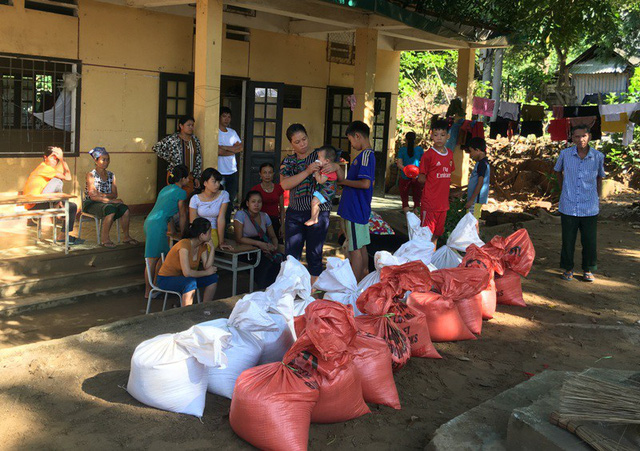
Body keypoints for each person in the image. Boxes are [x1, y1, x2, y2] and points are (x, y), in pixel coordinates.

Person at [280, 123, 344, 283]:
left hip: (319, 211)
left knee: (314, 255)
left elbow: (341, 178)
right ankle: (290, 290)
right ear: (291, 144)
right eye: (297, 142)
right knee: (291, 256)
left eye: (304, 139)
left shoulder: (320, 155)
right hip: (295, 212)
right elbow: (285, 184)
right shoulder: (288, 161)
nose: (303, 144)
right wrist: (307, 171)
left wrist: (336, 166)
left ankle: (313, 295)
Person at [554, 125, 605, 283]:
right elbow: (557, 171)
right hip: (568, 205)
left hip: (589, 206)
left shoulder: (598, 156)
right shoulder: (565, 154)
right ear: (572, 138)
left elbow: (600, 177)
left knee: (589, 240)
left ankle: (588, 269)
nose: (580, 139)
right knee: (568, 240)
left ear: (589, 136)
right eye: (576, 137)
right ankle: (568, 268)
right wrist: (563, 189)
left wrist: (598, 196)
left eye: (583, 136)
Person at [143, 164, 190, 299]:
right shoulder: (181, 193)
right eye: (188, 178)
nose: (189, 180)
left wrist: (173, 231)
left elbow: (166, 213)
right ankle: (148, 291)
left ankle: (156, 286)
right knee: (151, 260)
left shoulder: (165, 189)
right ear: (183, 178)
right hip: (157, 226)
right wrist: (183, 234)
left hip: (151, 223)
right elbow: (182, 215)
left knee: (162, 257)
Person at [337, 121, 376, 282]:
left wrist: (344, 182)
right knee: (361, 247)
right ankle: (363, 279)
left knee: (355, 250)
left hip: (355, 210)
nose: (351, 145)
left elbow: (366, 184)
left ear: (357, 136)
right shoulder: (366, 156)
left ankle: (352, 286)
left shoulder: (366, 156)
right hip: (358, 209)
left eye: (351, 140)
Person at [22, 146, 81, 244]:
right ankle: (59, 204)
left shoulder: (49, 170)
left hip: (42, 201)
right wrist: (63, 160)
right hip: (35, 204)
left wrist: (62, 159)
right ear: (45, 157)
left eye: (57, 158)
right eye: (53, 157)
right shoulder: (44, 167)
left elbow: (68, 177)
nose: (56, 160)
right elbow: (68, 177)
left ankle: (62, 236)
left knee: (72, 206)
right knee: (57, 181)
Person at [156, 217, 218, 306]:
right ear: (201, 235)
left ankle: (205, 307)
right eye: (209, 232)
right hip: (166, 279)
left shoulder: (202, 246)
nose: (211, 234)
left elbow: (207, 267)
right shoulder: (184, 245)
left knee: (212, 278)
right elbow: (187, 273)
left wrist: (212, 249)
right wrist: (206, 272)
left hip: (184, 278)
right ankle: (186, 313)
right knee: (190, 283)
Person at [84, 147, 138, 248]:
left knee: (125, 209)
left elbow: (114, 193)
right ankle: (105, 239)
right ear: (96, 160)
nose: (106, 162)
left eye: (108, 159)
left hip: (106, 201)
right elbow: (93, 196)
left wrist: (101, 195)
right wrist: (109, 200)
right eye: (103, 159)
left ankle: (126, 237)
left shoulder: (111, 175)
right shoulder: (91, 175)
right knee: (111, 210)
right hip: (91, 203)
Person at [234, 190, 284, 289]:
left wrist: (274, 246)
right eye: (253, 202)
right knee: (266, 264)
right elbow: (239, 238)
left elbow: (273, 236)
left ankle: (277, 290)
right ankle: (263, 291)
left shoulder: (264, 216)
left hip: (264, 247)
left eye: (259, 202)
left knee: (281, 261)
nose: (256, 204)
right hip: (248, 250)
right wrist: (259, 244)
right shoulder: (241, 215)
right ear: (247, 203)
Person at [418, 119, 455, 244]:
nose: (439, 138)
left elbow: (449, 173)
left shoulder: (450, 154)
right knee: (425, 236)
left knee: (436, 235)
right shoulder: (428, 155)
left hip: (443, 204)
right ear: (431, 135)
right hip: (430, 203)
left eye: (443, 135)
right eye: (436, 134)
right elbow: (421, 178)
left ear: (448, 136)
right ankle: (423, 262)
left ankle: (431, 261)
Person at [152, 115, 202, 196]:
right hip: (175, 174)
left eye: (192, 125)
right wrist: (170, 157)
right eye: (188, 125)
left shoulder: (195, 140)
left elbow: (198, 159)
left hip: (189, 176)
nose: (191, 127)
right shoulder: (173, 139)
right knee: (175, 197)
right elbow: (156, 148)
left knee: (186, 197)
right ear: (181, 126)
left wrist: (197, 177)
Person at [189, 167, 233, 251]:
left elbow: (221, 218)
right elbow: (193, 222)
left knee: (207, 247)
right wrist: (196, 238)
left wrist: (221, 241)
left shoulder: (224, 195)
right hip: (199, 231)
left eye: (219, 182)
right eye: (214, 182)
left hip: (212, 230)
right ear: (205, 183)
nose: (217, 185)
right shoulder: (195, 199)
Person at [218, 107, 243, 223]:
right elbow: (217, 152)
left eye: (229, 116)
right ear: (219, 117)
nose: (227, 119)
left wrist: (225, 147)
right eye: (224, 116)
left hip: (232, 171)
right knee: (219, 200)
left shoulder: (232, 132)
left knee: (230, 200)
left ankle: (227, 224)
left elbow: (240, 148)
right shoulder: (215, 132)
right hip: (219, 172)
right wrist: (232, 149)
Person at [305, 146, 338, 226]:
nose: (317, 159)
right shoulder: (325, 168)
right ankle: (315, 216)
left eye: (319, 157)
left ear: (327, 161)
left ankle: (314, 218)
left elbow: (320, 181)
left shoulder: (327, 170)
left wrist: (316, 172)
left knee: (314, 202)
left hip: (327, 191)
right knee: (315, 202)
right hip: (324, 190)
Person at [251, 162, 285, 239]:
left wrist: (282, 225)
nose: (267, 175)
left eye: (270, 172)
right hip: (260, 221)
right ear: (260, 174)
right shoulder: (255, 189)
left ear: (273, 174)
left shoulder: (278, 188)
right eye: (264, 172)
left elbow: (282, 209)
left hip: (275, 221)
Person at [396, 131, 424, 213]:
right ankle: (416, 220)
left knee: (405, 200)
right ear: (415, 139)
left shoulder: (402, 150)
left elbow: (399, 164)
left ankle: (408, 220)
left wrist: (406, 170)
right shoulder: (419, 150)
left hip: (404, 176)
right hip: (417, 177)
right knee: (417, 200)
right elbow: (423, 163)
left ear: (406, 139)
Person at [465, 137, 491, 222]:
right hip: (475, 200)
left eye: (471, 151)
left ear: (478, 150)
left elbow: (480, 183)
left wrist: (471, 200)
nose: (470, 154)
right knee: (472, 221)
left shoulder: (482, 164)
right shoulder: (482, 163)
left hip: (475, 200)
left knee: (472, 222)